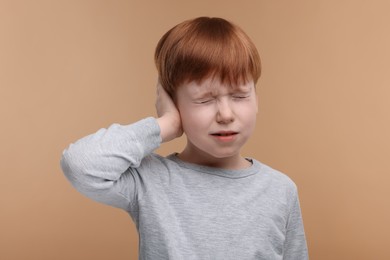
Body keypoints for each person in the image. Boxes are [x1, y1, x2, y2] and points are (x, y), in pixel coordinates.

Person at [60, 16, 308, 260]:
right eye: (205, 100)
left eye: (240, 95)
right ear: (173, 103)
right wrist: (165, 125)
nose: (225, 114)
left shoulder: (281, 190)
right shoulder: (151, 180)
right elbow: (80, 164)